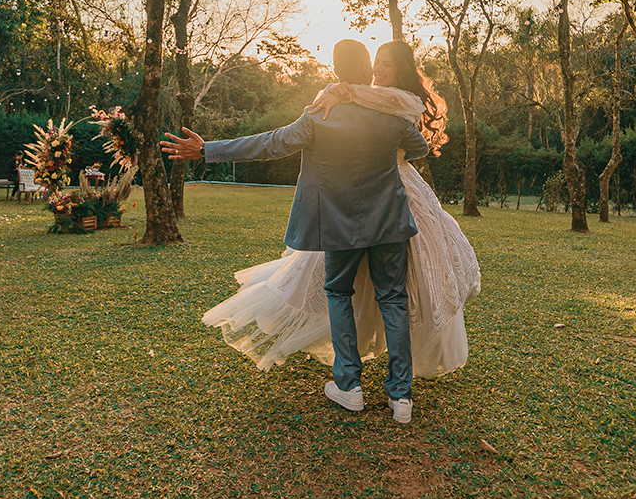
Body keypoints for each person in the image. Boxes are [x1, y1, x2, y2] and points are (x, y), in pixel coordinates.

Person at [161, 39, 481, 423]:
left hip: (337, 223)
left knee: (338, 294)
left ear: (336, 73)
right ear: (365, 71)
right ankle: (401, 398)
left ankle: (349, 387)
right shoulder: (394, 116)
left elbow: (268, 145)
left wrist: (207, 150)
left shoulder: (318, 115)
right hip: (390, 222)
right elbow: (418, 149)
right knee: (393, 300)